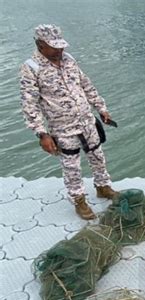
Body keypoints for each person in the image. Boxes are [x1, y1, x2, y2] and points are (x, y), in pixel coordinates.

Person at [19, 24, 117, 220]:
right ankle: (79, 200)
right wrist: (42, 133)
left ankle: (103, 187)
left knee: (97, 155)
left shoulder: (69, 60)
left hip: (87, 121)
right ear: (40, 45)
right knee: (71, 165)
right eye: (54, 47)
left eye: (61, 46)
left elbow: (86, 85)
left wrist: (101, 108)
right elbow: (29, 103)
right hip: (63, 128)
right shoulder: (31, 68)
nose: (60, 50)